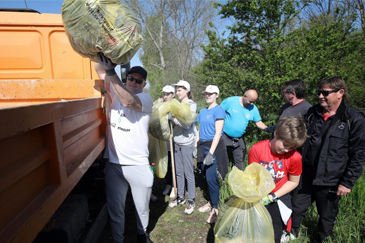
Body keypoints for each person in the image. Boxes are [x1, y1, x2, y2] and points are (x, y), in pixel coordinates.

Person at [291, 76, 365, 243]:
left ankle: (322, 239)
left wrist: (347, 182)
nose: (320, 96)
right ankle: (291, 235)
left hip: (331, 178)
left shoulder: (354, 118)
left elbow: (359, 153)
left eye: (325, 93)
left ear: (340, 93)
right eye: (319, 92)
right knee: (296, 207)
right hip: (306, 173)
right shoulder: (312, 113)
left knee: (327, 215)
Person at [95, 53, 154, 243]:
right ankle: (118, 239)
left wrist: (112, 72)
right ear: (126, 78)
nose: (134, 82)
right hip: (115, 164)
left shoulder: (146, 99)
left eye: (139, 80)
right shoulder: (115, 90)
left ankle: (141, 234)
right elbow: (99, 68)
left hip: (138, 165)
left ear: (143, 84)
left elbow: (129, 102)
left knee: (142, 207)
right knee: (115, 207)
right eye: (131, 78)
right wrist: (99, 50)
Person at [248, 116, 307, 243]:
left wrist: (273, 196)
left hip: (279, 195)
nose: (286, 150)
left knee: (274, 232)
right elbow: (251, 176)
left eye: (291, 148)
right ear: (276, 133)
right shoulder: (257, 149)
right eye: (285, 145)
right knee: (254, 229)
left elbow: (293, 181)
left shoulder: (295, 157)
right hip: (258, 193)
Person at [195, 85, 229, 224]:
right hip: (202, 146)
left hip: (213, 147)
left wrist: (210, 153)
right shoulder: (202, 111)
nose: (207, 95)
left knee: (211, 178)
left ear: (216, 95)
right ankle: (211, 201)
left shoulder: (219, 111)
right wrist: (195, 145)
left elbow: (218, 134)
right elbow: (199, 130)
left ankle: (215, 209)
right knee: (204, 174)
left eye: (210, 93)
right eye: (206, 93)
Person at [220, 89, 271, 170]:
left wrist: (268, 129)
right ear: (244, 96)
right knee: (221, 158)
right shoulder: (230, 101)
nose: (252, 104)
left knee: (239, 160)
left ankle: (238, 178)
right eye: (250, 101)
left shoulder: (253, 108)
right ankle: (221, 176)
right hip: (224, 135)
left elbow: (258, 122)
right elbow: (217, 113)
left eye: (254, 102)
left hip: (238, 138)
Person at [168, 80, 197, 215]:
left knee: (188, 172)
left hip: (186, 143)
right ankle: (180, 197)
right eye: (177, 90)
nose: (177, 93)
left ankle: (191, 200)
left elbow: (186, 125)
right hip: (176, 142)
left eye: (179, 90)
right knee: (178, 171)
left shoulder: (192, 105)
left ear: (186, 90)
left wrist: (172, 118)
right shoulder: (177, 105)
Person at [160, 85, 176, 198]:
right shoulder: (163, 105)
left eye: (168, 94)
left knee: (174, 164)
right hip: (165, 139)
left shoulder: (176, 105)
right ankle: (168, 184)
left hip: (175, 139)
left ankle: (176, 186)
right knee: (167, 162)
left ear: (173, 94)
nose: (166, 96)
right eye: (164, 94)